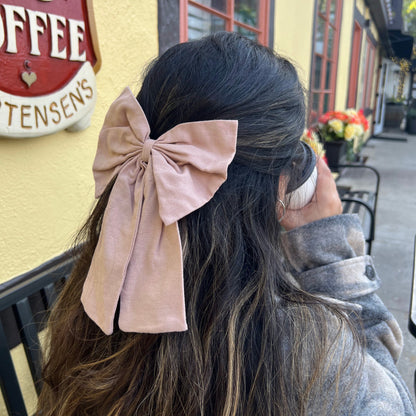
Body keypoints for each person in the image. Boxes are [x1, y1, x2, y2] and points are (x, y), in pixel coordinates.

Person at [36, 32, 415, 415]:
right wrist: (328, 249)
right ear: (280, 182)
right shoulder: (313, 345)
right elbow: (394, 402)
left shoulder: (94, 298)